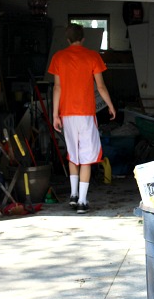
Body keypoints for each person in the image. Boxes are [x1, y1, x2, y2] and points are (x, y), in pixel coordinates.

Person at [48, 23, 116, 214]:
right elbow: (100, 87)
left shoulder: (58, 57)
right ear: (83, 38)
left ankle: (73, 195)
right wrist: (110, 105)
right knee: (86, 158)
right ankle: (83, 201)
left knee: (73, 155)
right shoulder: (93, 56)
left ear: (67, 39)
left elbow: (57, 88)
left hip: (67, 114)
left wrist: (55, 115)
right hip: (86, 114)